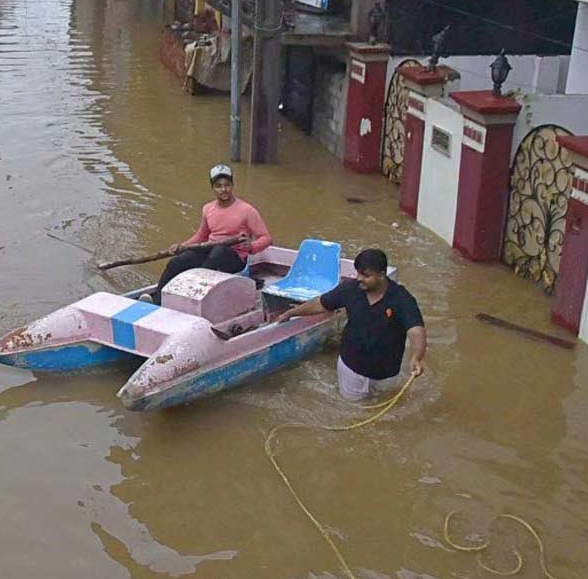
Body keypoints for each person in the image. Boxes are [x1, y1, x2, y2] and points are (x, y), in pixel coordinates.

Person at [272, 248, 426, 401]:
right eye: (358, 273)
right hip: (351, 366)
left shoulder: (402, 299)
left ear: (382, 274)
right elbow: (321, 304)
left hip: (387, 372)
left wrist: (416, 357)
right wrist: (290, 313)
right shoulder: (350, 289)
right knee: (352, 407)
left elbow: (416, 330)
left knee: (384, 403)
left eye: (366, 275)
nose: (359, 278)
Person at [150, 164, 272, 304]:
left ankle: (192, 297)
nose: (223, 189)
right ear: (213, 188)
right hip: (210, 252)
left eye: (227, 185)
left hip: (235, 259)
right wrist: (181, 246)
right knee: (177, 262)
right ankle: (157, 300)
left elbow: (266, 238)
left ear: (232, 186)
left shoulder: (247, 210)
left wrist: (252, 246)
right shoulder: (207, 209)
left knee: (218, 252)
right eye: (218, 186)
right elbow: (201, 236)